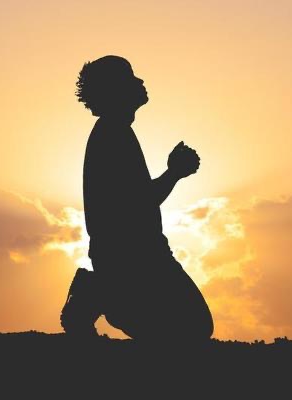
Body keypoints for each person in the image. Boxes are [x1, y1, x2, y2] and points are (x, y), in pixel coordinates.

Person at [60, 55, 214, 343]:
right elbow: (139, 203)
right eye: (130, 78)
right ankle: (97, 294)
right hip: (132, 259)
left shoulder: (116, 131)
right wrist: (175, 172)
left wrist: (174, 173)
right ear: (115, 90)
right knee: (192, 330)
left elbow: (138, 199)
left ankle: (99, 292)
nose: (140, 81)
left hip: (141, 254)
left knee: (192, 328)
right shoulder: (113, 134)